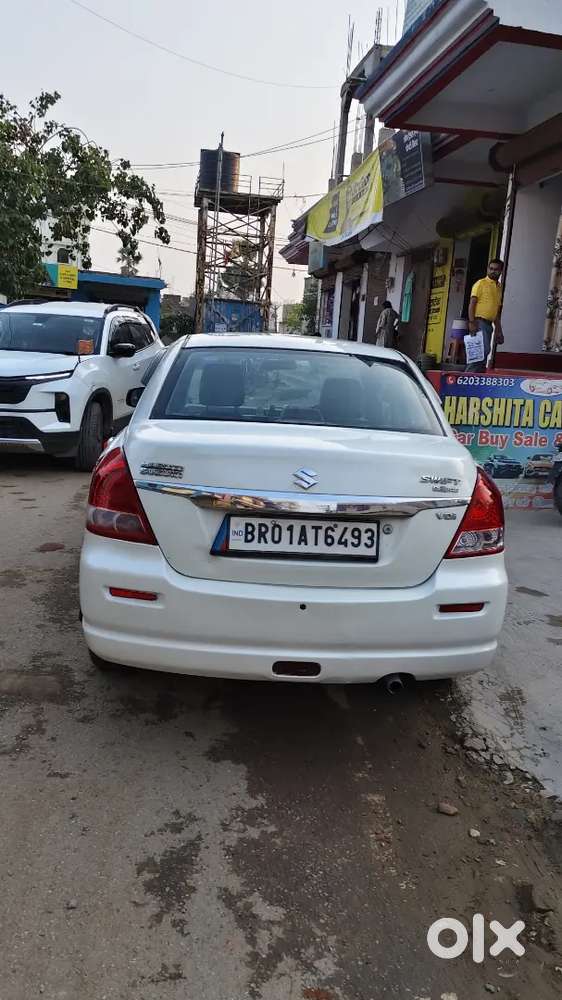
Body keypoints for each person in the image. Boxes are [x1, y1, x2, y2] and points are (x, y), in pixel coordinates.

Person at [466, 258, 504, 371]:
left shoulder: (499, 287)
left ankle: (476, 377)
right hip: (479, 322)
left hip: (488, 325)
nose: (493, 271)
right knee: (479, 352)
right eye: (491, 268)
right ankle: (468, 378)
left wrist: (499, 330)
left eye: (496, 269)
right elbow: (472, 304)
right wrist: (472, 322)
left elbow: (496, 310)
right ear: (487, 269)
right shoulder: (480, 283)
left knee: (484, 352)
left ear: (501, 271)